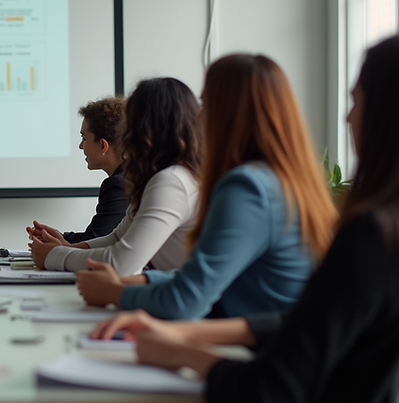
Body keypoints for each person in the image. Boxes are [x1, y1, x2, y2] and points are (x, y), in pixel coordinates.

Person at [90, 38, 399, 403]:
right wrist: (184, 333)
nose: (198, 120)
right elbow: (298, 319)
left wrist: (180, 349)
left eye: (356, 100)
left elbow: (270, 392)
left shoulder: (254, 189)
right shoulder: (295, 185)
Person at [77, 54, 338, 319]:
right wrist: (129, 284)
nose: (198, 120)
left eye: (206, 103)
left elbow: (185, 300)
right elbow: (204, 277)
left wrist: (115, 293)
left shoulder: (247, 188)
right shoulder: (279, 180)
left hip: (252, 348)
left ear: (233, 114)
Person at [28, 79, 201, 275]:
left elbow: (120, 262)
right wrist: (63, 247)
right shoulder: (163, 176)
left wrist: (54, 256)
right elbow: (116, 238)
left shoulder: (171, 182)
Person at [28, 96, 127, 245]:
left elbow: (93, 242)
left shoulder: (118, 185)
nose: (81, 146)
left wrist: (58, 244)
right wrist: (60, 237)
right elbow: (97, 239)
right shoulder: (128, 177)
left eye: (84, 138)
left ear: (103, 146)